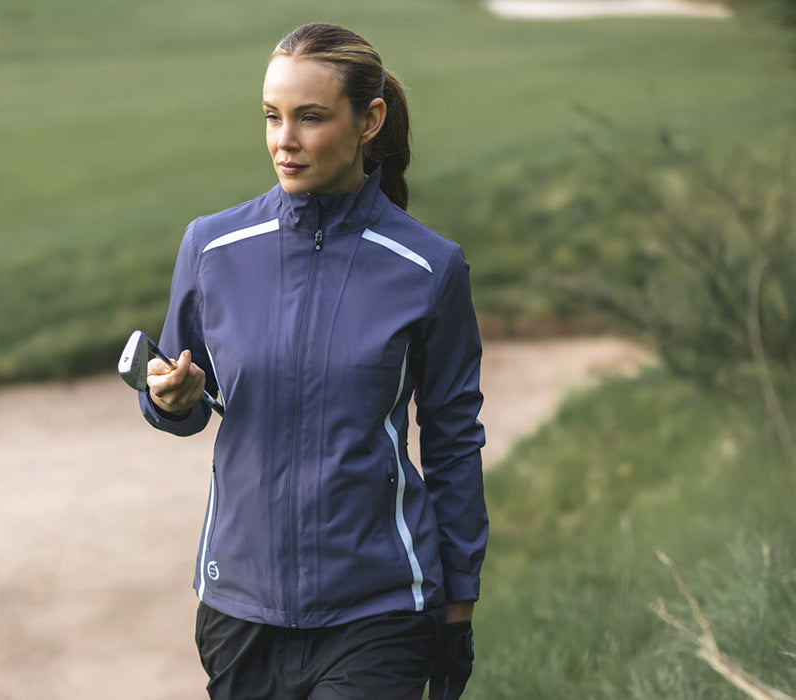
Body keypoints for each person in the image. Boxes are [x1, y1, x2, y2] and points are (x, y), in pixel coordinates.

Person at [137, 22, 486, 700]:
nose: (284, 141)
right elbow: (179, 402)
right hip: (240, 611)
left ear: (369, 121)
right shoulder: (211, 248)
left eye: (311, 117)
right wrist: (168, 400)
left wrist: (460, 603)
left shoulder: (429, 267)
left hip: (380, 608)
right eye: (272, 116)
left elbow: (453, 439)